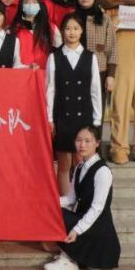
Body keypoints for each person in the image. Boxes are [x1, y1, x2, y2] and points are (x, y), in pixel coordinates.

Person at [42, 124, 120, 270]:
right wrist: (48, 203)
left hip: (97, 226)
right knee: (52, 211)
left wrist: (77, 230)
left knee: (62, 217)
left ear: (97, 143)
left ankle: (68, 259)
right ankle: (69, 255)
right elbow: (71, 198)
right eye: (78, 140)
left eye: (87, 141)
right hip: (83, 219)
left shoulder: (102, 171)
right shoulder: (79, 167)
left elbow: (97, 208)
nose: (82, 145)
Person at [46, 13, 102, 196]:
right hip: (62, 115)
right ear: (62, 31)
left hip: (83, 115)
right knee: (63, 164)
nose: (72, 32)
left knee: (81, 161)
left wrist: (97, 119)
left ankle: (80, 201)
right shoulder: (54, 57)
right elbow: (50, 90)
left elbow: (95, 90)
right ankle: (64, 202)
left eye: (75, 28)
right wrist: (49, 118)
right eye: (68, 29)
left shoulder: (90, 57)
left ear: (82, 31)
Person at [73, 0, 117, 103]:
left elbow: (112, 48)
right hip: (75, 70)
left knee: (97, 109)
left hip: (99, 71)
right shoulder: (71, 18)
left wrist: (111, 75)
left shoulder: (105, 19)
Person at [11, 0, 61, 72]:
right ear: (21, 6)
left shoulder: (52, 28)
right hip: (22, 75)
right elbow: (11, 58)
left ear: (39, 5)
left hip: (45, 74)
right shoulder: (13, 30)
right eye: (27, 2)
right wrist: (27, 67)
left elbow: (60, 54)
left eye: (34, 2)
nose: (31, 5)